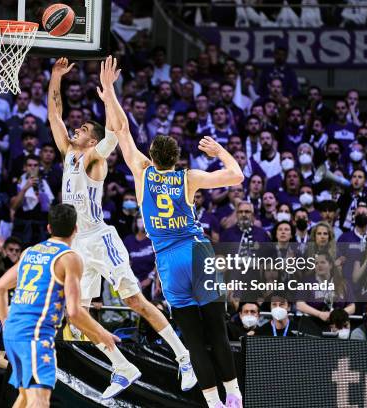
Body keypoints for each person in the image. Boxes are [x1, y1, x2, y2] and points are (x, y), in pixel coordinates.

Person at [98, 56, 243, 408]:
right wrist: (220, 150)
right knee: (217, 333)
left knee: (193, 340)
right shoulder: (188, 177)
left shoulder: (142, 173)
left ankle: (212, 401)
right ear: (177, 158)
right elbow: (236, 176)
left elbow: (122, 131)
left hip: (168, 261)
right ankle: (235, 395)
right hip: (196, 252)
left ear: (151, 156)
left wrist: (110, 95)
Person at [48, 57, 197, 398]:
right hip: (76, 245)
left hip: (100, 239)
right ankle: (123, 366)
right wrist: (55, 77)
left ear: (93, 139)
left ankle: (184, 356)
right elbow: (54, 113)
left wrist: (109, 96)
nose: (77, 129)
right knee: (77, 316)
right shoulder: (68, 154)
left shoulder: (96, 158)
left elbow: (117, 130)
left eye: (84, 128)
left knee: (134, 300)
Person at [0, 204, 122, 408]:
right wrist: (102, 333)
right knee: (40, 400)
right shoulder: (69, 258)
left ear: (49, 228)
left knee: (25, 398)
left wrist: (6, 321)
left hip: (13, 333)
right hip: (36, 334)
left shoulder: (29, 252)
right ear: (75, 229)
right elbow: (74, 311)